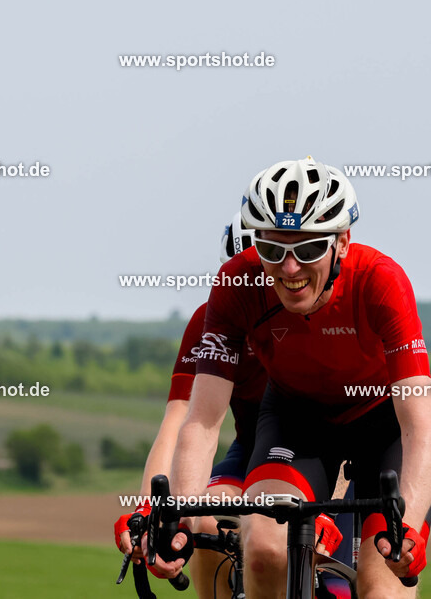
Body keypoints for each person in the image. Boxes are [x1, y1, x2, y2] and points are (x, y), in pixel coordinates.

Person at [155, 157, 431, 599]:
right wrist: (180, 523)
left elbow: (421, 429)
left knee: (382, 587)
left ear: (342, 243)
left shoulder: (381, 281)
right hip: (297, 417)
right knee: (266, 549)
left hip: (382, 425)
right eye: (272, 249)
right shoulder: (237, 284)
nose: (289, 269)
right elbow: (202, 421)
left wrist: (410, 530)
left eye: (308, 250)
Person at [114, 213, 343, 597]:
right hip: (252, 448)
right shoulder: (211, 320)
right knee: (202, 520)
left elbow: (343, 429)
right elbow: (181, 422)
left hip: (329, 454)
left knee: (341, 576)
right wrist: (151, 510)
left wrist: (330, 506)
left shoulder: (318, 316)